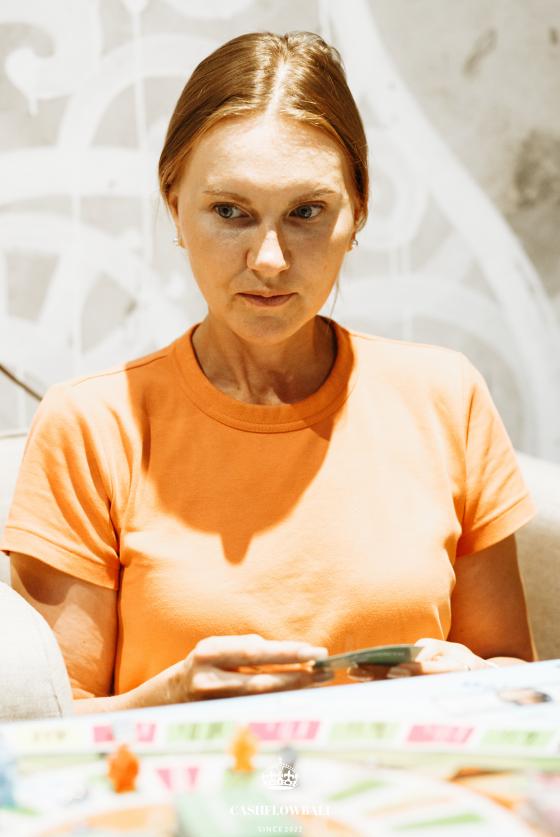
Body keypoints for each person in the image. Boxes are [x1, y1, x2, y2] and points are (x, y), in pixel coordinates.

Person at [2, 32, 535, 715]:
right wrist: (170, 698)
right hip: (190, 785)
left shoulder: (446, 397)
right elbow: (45, 732)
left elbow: (517, 683)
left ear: (359, 210)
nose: (270, 260)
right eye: (230, 212)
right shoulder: (91, 426)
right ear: (174, 204)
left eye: (306, 212)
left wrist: (473, 680)